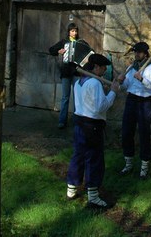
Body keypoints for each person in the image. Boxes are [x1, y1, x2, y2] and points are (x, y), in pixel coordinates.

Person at [66, 53, 120, 209]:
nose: (104, 71)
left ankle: (71, 189)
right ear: (96, 67)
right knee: (94, 159)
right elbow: (100, 107)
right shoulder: (94, 83)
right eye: (103, 68)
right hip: (92, 126)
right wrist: (113, 92)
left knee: (78, 155)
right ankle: (93, 196)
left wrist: (105, 90)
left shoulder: (79, 82)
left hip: (79, 123)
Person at [117, 41, 151, 178]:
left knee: (144, 133)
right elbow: (126, 86)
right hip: (131, 100)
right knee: (127, 132)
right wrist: (121, 82)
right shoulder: (132, 67)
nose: (136, 54)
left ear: (145, 54)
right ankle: (128, 163)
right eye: (135, 52)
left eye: (139, 52)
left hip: (144, 102)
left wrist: (142, 79)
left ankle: (144, 166)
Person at [48, 23, 91, 129]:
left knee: (77, 97)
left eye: (75, 31)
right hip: (66, 72)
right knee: (65, 97)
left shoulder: (81, 42)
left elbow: (90, 53)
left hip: (76, 72)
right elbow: (51, 50)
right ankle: (62, 121)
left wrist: (84, 61)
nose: (74, 33)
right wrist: (59, 51)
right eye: (72, 31)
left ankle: (77, 120)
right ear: (68, 32)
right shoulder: (64, 42)